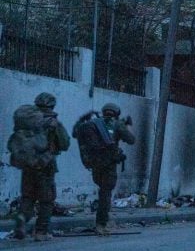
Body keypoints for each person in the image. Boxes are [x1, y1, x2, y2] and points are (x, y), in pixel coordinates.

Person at [9, 92, 70, 241]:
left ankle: (22, 218)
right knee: (46, 200)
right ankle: (41, 232)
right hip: (46, 165)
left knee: (27, 197)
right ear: (52, 105)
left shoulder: (26, 120)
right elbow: (64, 144)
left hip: (27, 166)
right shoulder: (53, 122)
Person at [77, 102, 135, 236]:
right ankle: (101, 224)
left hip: (95, 164)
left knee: (102, 191)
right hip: (109, 165)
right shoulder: (117, 124)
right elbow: (131, 140)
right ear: (116, 113)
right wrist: (127, 126)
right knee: (105, 194)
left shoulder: (93, 124)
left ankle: (103, 220)